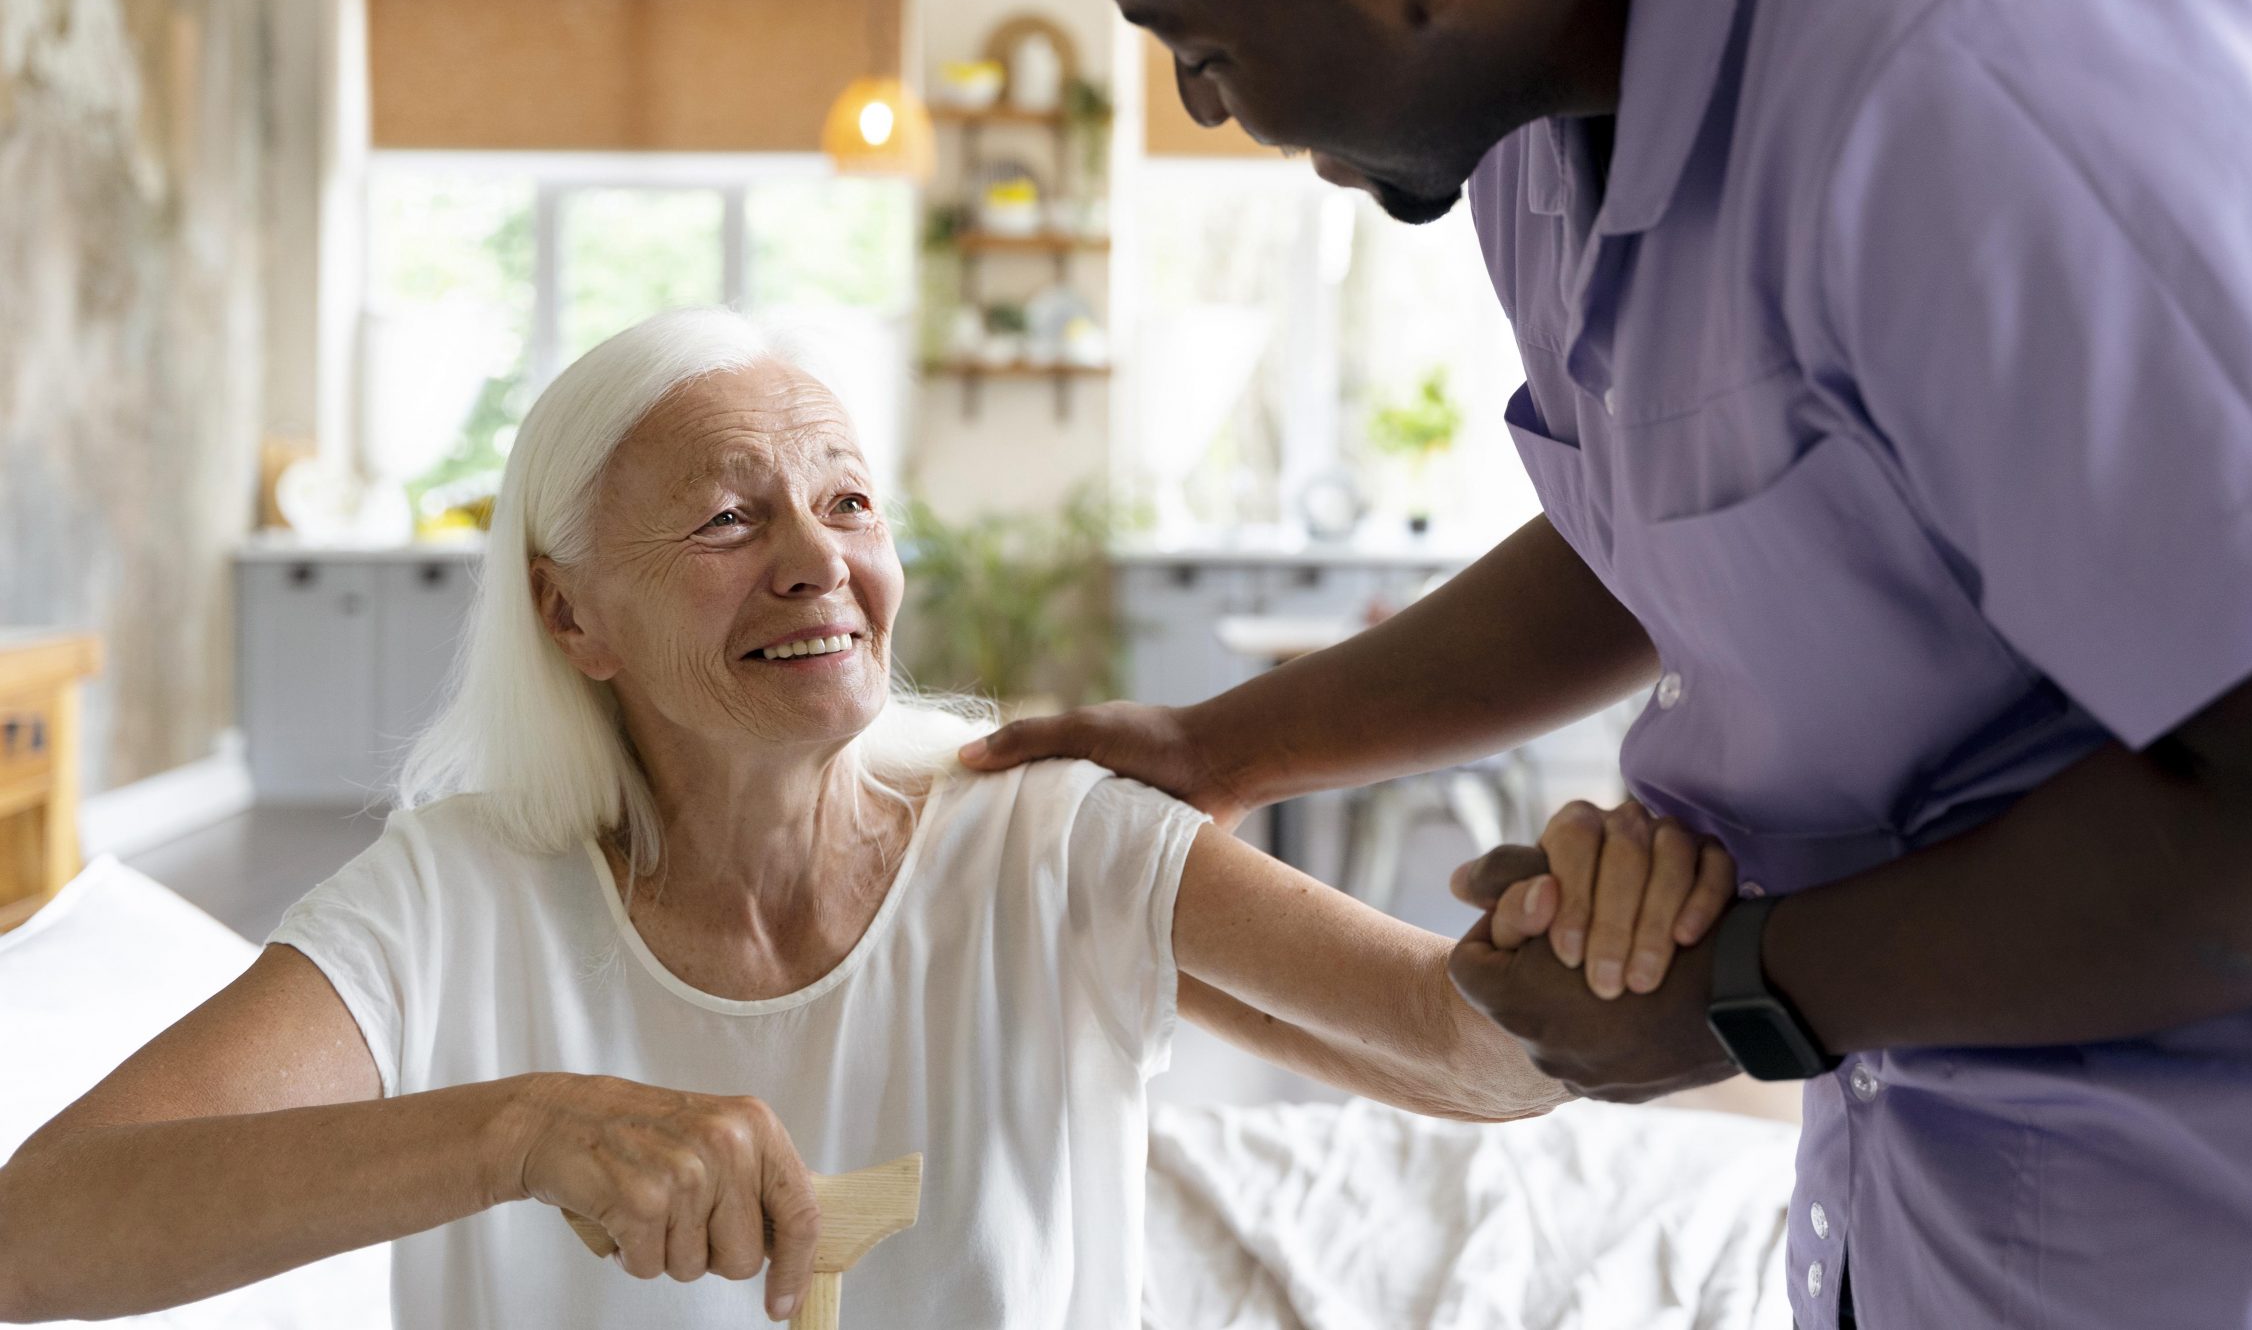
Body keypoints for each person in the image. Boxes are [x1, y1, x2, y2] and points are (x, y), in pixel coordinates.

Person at [976, 0, 2252, 1323]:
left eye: (1197, 46)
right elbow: (1663, 517)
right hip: (1929, 1214)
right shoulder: (1538, 120)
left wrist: (1738, 991)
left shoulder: (1992, 41)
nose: (1207, 110)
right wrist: (1231, 745)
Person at [0, 309, 1603, 1329]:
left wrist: (1575, 934)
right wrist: (517, 1131)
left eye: (846, 499)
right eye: (724, 515)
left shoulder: (1046, 835)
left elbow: (1468, 1054)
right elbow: (35, 1236)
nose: (816, 559)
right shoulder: (456, 896)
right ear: (572, 616)